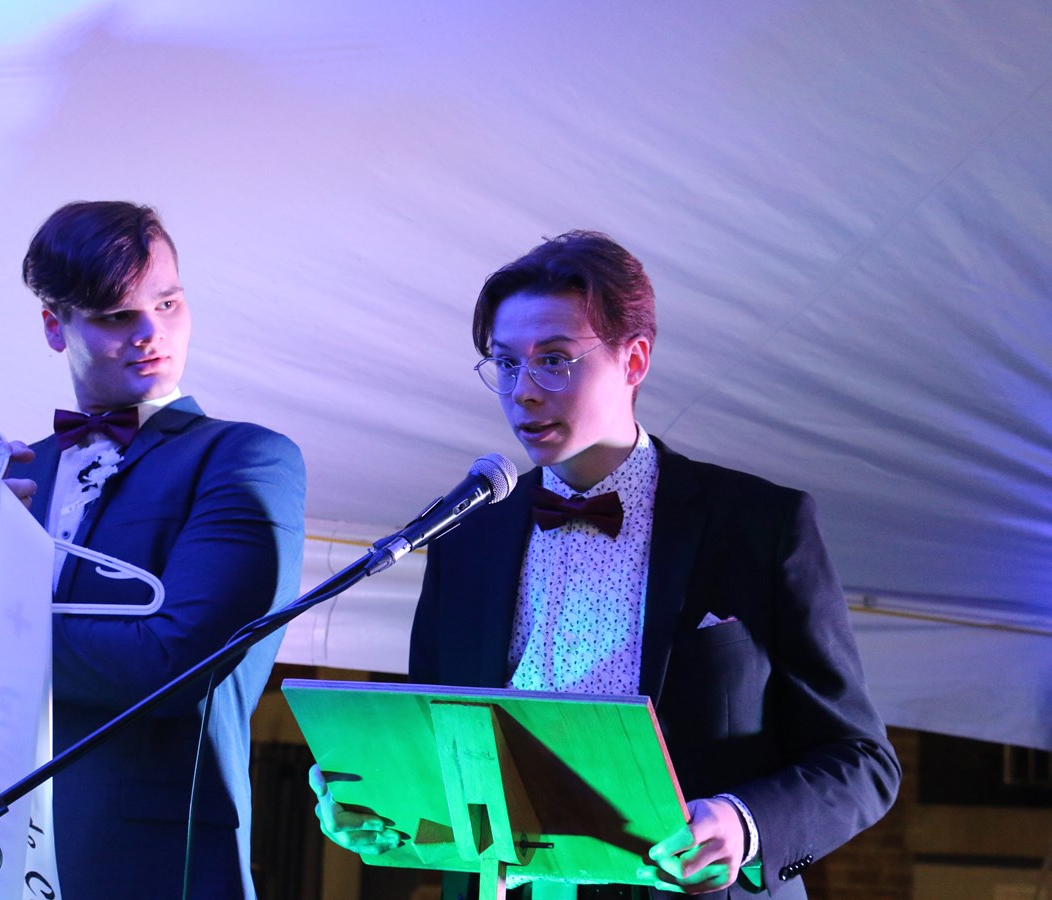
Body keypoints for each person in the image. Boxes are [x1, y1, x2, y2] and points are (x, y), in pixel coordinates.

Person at [312, 231, 899, 899]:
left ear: (635, 359)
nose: (523, 392)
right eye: (505, 363)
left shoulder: (760, 524)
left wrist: (744, 824)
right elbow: (435, 747)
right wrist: (376, 807)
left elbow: (862, 761)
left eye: (554, 360)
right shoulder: (466, 533)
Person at [0, 200, 307, 899]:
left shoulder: (245, 458)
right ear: (54, 325)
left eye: (168, 304)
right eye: (116, 316)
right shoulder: (16, 471)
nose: (151, 333)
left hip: (151, 871)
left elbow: (169, 663)